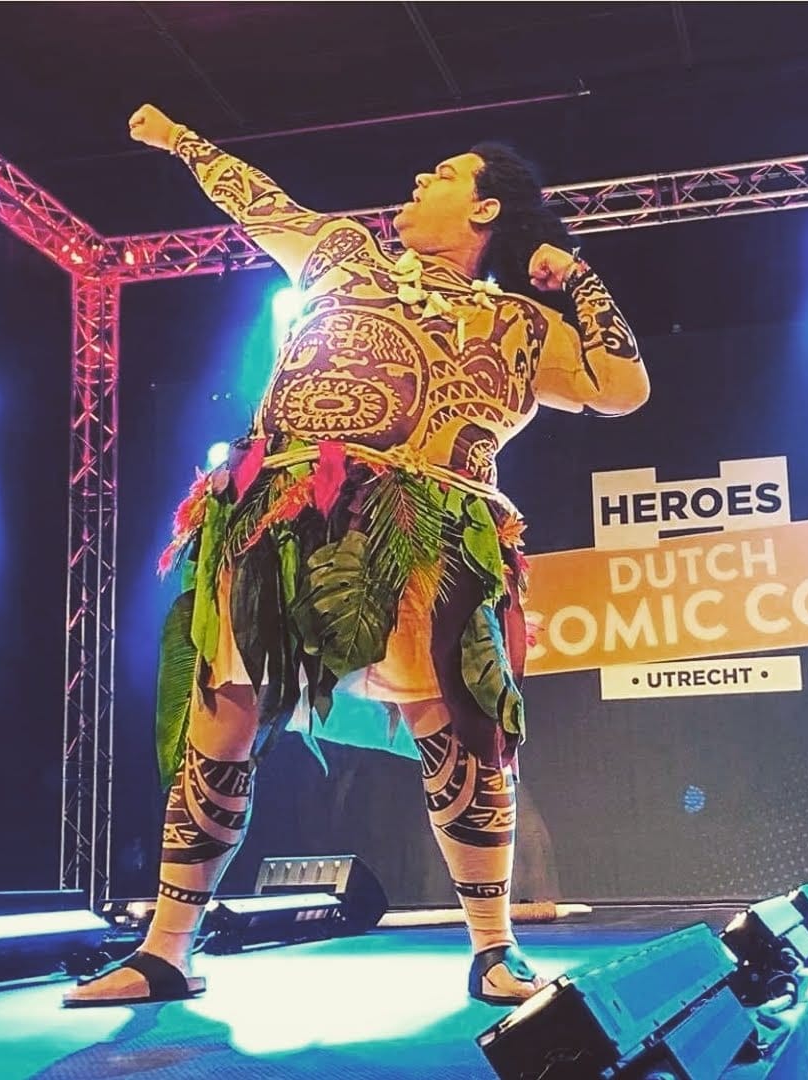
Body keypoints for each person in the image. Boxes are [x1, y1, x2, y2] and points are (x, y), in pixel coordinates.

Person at [64, 103, 648, 1008]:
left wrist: (576, 277)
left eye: (443, 175)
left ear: (485, 208)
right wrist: (182, 141)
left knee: (456, 729)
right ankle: (166, 951)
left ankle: (494, 948)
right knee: (222, 722)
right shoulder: (342, 254)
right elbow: (257, 201)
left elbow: (622, 385)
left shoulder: (520, 326)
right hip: (280, 517)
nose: (417, 180)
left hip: (429, 529)